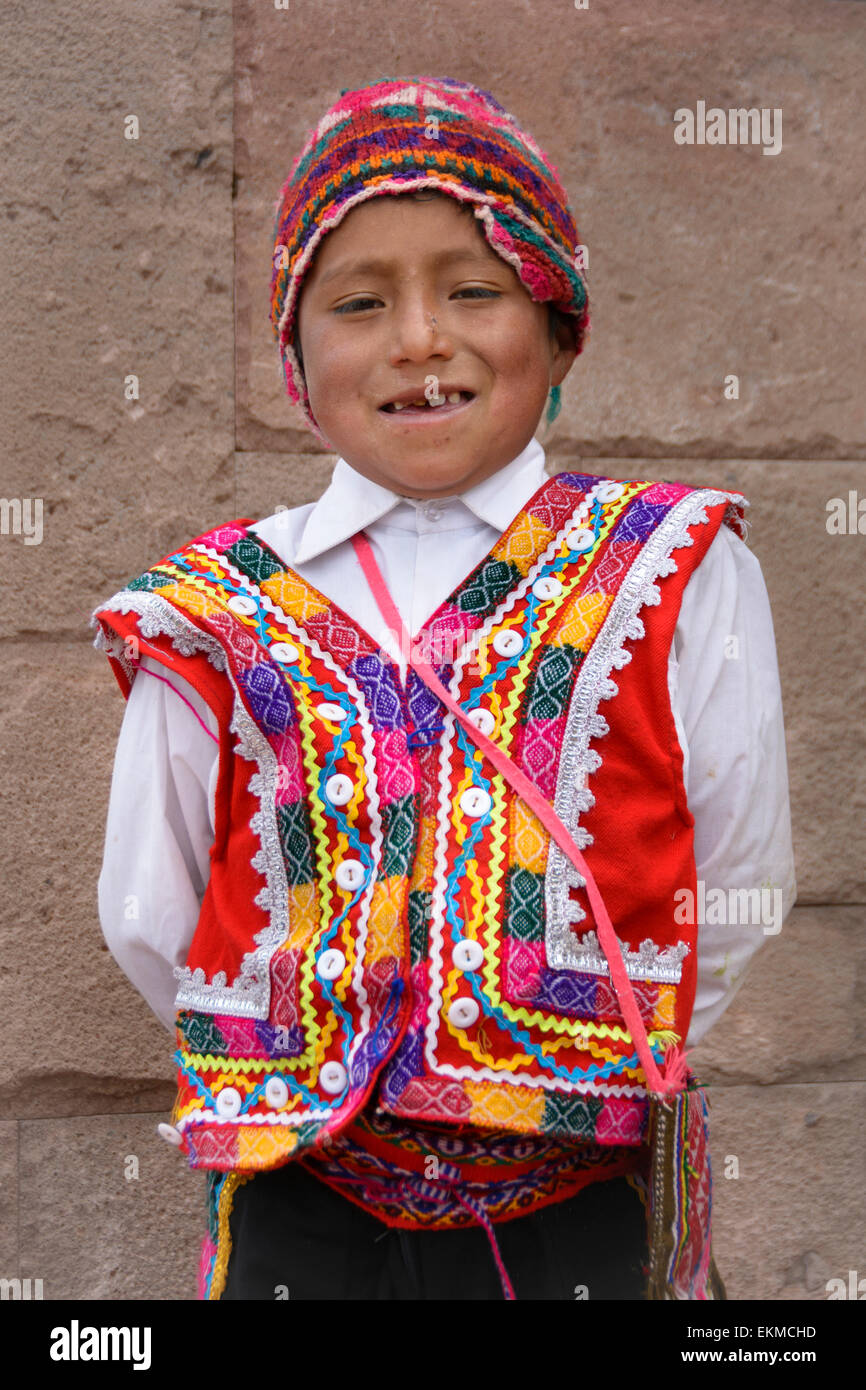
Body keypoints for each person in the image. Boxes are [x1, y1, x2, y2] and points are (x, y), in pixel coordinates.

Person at [91, 75, 796, 1301]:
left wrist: (571, 1051)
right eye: (358, 302)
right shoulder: (211, 606)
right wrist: (306, 1051)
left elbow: (733, 869)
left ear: (560, 326)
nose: (419, 338)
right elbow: (151, 909)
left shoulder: (673, 566)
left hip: (573, 1203)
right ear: (296, 359)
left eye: (473, 289)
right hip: (302, 1204)